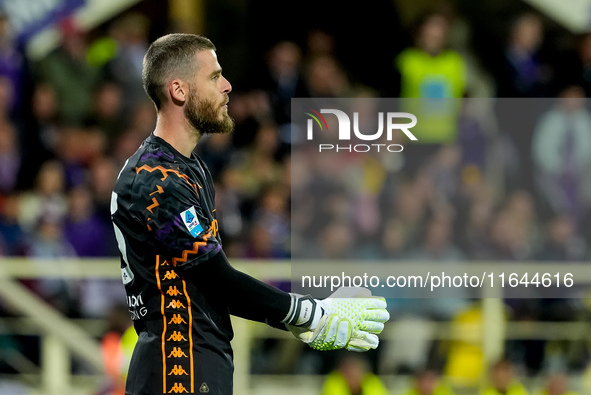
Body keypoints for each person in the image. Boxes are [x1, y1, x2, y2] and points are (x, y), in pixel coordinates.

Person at [110, 33, 389, 395]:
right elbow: (215, 276)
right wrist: (309, 315)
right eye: (213, 77)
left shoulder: (188, 168)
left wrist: (300, 319)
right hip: (176, 371)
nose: (227, 86)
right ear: (178, 90)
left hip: (200, 364)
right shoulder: (155, 179)